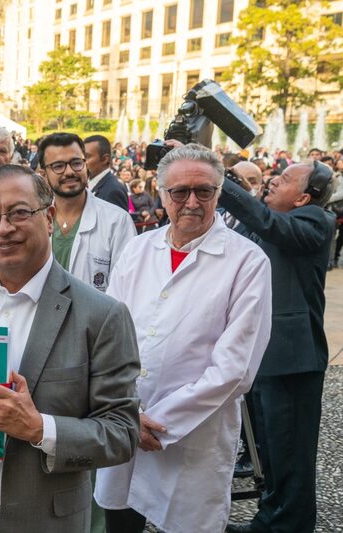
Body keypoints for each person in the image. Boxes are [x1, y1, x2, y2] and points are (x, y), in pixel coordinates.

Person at [0, 164, 140, 532]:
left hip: (43, 522)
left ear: (49, 217)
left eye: (20, 213)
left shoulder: (101, 315)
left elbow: (122, 432)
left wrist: (40, 428)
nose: (3, 228)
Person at [94, 144, 272, 533]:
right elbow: (109, 335)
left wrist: (157, 421)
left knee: (188, 522)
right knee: (120, 520)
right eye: (180, 192)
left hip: (194, 434)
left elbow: (234, 370)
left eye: (203, 191)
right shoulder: (139, 250)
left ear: (218, 194)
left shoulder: (247, 261)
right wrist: (126, 415)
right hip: (128, 417)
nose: (191, 201)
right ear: (162, 195)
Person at [222, 161, 336, 533]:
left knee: (291, 453)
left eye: (285, 178)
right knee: (270, 451)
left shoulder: (315, 221)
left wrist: (213, 176)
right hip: (262, 356)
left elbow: (269, 225)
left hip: (293, 361)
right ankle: (270, 519)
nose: (273, 179)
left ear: (303, 197)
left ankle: (290, 525)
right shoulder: (271, 221)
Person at [38, 132, 135, 292]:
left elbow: (126, 289)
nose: (69, 172)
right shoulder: (35, 219)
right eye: (58, 166)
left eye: (76, 163)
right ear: (44, 174)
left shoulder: (117, 222)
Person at [84, 135, 129, 211]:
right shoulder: (88, 183)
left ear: (105, 159)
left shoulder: (113, 190)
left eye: (86, 157)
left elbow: (117, 222)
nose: (81, 161)